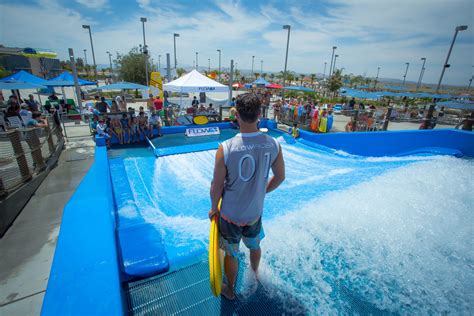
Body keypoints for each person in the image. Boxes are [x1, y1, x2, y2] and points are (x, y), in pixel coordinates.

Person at [209, 93, 285, 300]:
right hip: (254, 212)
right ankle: (255, 274)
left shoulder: (226, 148)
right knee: (254, 245)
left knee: (231, 253)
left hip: (230, 214)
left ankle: (231, 290)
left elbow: (216, 186)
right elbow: (280, 177)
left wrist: (214, 207)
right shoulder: (274, 144)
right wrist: (262, 191)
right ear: (259, 114)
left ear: (236, 115)